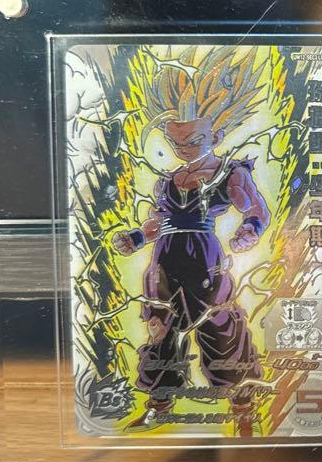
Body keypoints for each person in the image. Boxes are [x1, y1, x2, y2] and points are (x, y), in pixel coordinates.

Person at [112, 48, 271, 434]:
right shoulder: (168, 180)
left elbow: (255, 208)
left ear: (215, 135)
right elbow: (158, 222)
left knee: (219, 327)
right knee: (161, 330)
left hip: (204, 258)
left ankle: (242, 408)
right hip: (165, 261)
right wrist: (136, 237)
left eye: (193, 141)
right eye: (176, 143)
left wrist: (249, 230)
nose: (184, 150)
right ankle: (159, 404)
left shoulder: (230, 173)